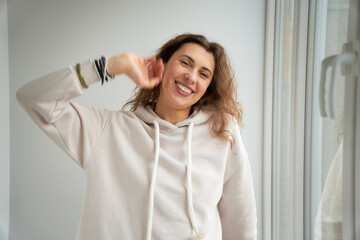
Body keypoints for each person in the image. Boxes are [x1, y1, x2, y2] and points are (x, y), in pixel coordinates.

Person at [17, 33, 257, 240]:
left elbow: (241, 221)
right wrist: (112, 66)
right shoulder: (108, 130)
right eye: (185, 63)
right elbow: (34, 98)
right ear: (162, 66)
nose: (192, 77)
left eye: (204, 74)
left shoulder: (222, 133)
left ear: (208, 87)